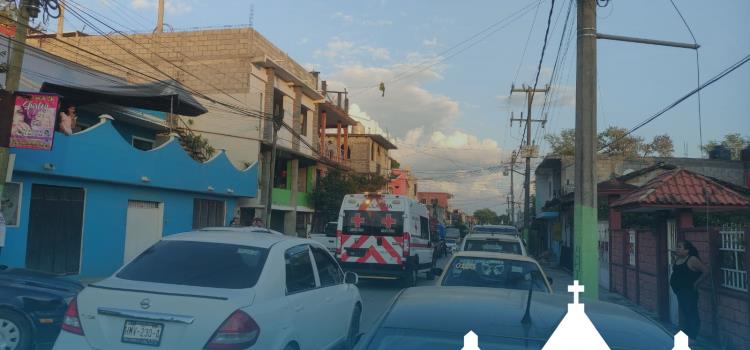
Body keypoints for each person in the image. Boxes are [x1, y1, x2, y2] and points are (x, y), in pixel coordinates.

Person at [669, 240, 709, 340]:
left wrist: (696, 283)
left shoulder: (692, 260)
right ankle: (686, 334)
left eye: (679, 247)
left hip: (689, 291)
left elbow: (706, 271)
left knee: (691, 312)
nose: (677, 249)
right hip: (679, 291)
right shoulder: (678, 259)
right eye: (677, 247)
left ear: (687, 250)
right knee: (685, 312)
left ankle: (693, 336)